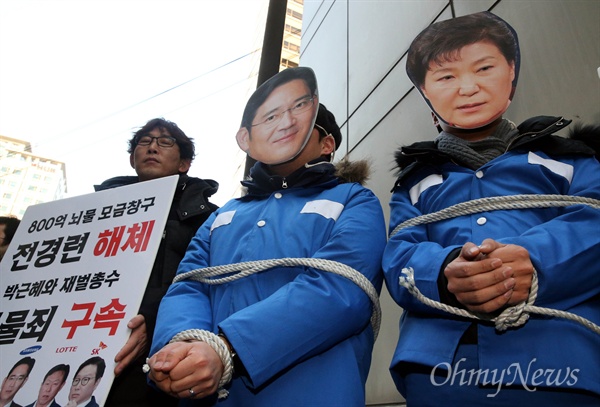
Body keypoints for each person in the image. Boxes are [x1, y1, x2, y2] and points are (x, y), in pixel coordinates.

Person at [383, 11, 600, 406]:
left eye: (484, 68)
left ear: (511, 74)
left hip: (563, 363)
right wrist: (445, 274)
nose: (468, 87)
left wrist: (535, 261)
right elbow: (399, 256)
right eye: (446, 77)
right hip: (438, 371)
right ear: (425, 92)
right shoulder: (413, 184)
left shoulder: (571, 159)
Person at [147, 66, 387, 406]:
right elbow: (187, 285)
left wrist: (226, 348)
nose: (283, 125)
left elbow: (341, 289)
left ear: (327, 143)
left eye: (300, 116)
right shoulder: (223, 213)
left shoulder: (353, 199)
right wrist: (181, 345)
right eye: (270, 118)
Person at [94, 118, 219, 406]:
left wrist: (152, 320)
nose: (152, 147)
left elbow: (202, 284)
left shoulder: (208, 217)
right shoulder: (93, 211)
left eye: (164, 142)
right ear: (131, 158)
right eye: (145, 142)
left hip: (163, 353)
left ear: (184, 163)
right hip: (91, 338)